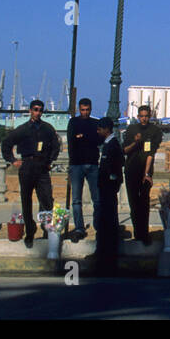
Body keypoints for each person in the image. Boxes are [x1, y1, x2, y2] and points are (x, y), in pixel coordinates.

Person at [1, 100, 60, 247]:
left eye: (40, 110)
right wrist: (13, 160)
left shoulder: (47, 129)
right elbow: (6, 144)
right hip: (27, 166)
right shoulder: (22, 129)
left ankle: (47, 230)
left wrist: (50, 161)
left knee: (46, 200)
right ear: (30, 111)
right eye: (35, 109)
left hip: (42, 167)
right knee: (26, 201)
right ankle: (30, 231)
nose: (38, 112)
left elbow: (56, 146)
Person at [122, 104, 164, 244]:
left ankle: (144, 234)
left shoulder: (155, 131)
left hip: (145, 172)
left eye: (146, 116)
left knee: (144, 203)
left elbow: (151, 154)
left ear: (150, 116)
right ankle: (137, 234)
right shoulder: (131, 129)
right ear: (138, 117)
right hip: (131, 170)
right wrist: (135, 142)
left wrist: (146, 174)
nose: (144, 119)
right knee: (133, 204)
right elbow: (125, 150)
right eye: (142, 116)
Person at [66, 97, 101, 241]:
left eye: (87, 110)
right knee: (76, 200)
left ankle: (98, 226)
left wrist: (83, 137)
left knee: (97, 199)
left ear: (91, 109)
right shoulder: (73, 122)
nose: (85, 112)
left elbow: (98, 140)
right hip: (76, 164)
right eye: (82, 110)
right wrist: (87, 138)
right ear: (79, 109)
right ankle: (79, 227)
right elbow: (71, 141)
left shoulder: (95, 123)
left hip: (92, 164)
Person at [93, 117, 124, 272]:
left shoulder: (113, 145)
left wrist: (111, 183)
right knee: (105, 219)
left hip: (108, 188)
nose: (98, 132)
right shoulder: (108, 144)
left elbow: (114, 168)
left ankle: (108, 253)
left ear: (106, 129)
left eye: (100, 129)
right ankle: (104, 251)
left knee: (109, 220)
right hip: (106, 187)